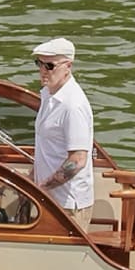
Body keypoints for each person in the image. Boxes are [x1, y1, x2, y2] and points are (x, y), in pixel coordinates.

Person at [31, 37, 94, 230]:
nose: (43, 71)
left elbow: (77, 161)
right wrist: (32, 178)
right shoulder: (48, 95)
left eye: (49, 65)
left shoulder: (72, 106)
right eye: (39, 64)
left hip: (67, 207)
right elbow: (47, 145)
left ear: (68, 66)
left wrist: (42, 187)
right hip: (49, 199)